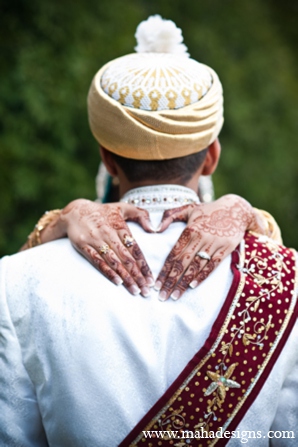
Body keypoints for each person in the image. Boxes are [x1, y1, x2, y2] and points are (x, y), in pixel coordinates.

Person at [0, 15, 297, 446]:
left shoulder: (16, 280)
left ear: (106, 158)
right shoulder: (286, 280)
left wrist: (51, 226)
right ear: (211, 156)